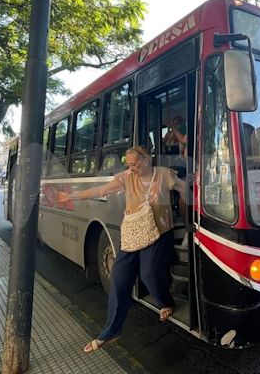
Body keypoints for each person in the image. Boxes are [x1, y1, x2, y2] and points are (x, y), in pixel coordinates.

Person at [56, 146, 185, 353]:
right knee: (118, 277)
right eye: (128, 164)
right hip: (134, 233)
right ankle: (111, 331)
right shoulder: (126, 177)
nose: (130, 168)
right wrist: (72, 197)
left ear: (146, 160)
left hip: (160, 232)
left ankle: (166, 302)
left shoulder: (163, 174)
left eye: (134, 163)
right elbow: (100, 191)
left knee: (149, 273)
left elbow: (183, 188)